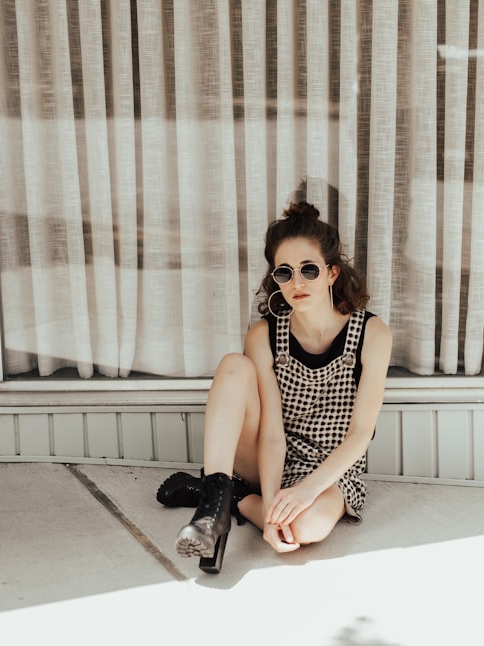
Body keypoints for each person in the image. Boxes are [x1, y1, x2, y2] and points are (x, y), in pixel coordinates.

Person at [156, 201, 392, 574]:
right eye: (285, 272)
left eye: (309, 270)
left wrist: (305, 491)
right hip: (270, 455)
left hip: (331, 467)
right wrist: (274, 500)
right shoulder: (265, 334)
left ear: (332, 274)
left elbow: (361, 433)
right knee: (234, 365)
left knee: (302, 528)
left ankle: (230, 498)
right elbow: (271, 433)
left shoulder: (372, 334)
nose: (297, 283)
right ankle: (213, 506)